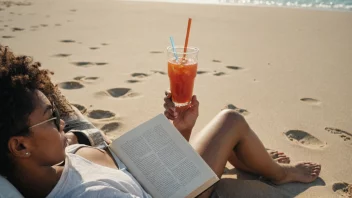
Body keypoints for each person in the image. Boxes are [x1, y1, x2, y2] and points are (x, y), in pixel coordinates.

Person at [0, 45, 321, 198]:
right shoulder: (91, 195)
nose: (64, 125)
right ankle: (279, 175)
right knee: (231, 123)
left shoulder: (56, 159)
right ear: (20, 145)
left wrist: (181, 131)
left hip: (163, 178)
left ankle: (256, 165)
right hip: (180, 192)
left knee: (229, 123)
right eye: (53, 117)